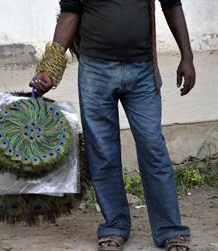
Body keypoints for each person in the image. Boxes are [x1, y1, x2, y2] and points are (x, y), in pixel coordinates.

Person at [29, 0, 196, 250]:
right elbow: (69, 14)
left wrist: (187, 56)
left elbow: (172, 5)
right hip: (95, 71)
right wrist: (49, 69)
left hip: (142, 71)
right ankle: (115, 226)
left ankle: (170, 229)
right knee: (102, 151)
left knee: (153, 148)